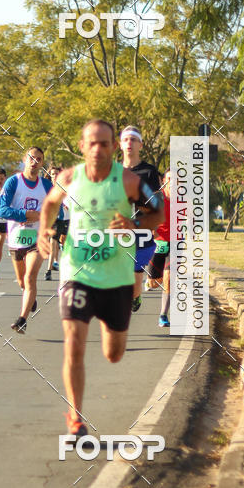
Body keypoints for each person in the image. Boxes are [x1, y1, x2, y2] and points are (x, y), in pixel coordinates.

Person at [38, 119, 164, 437]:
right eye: (91, 143)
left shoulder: (129, 181)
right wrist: (43, 231)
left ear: (113, 147)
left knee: (113, 353)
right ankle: (75, 418)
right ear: (82, 146)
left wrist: (135, 225)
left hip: (117, 277)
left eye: (104, 143)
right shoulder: (68, 178)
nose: (97, 149)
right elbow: (50, 204)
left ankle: (114, 328)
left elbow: (158, 213)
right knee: (74, 344)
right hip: (77, 273)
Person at [0, 147, 52, 334]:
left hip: (38, 240)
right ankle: (31, 297)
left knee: (30, 278)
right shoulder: (14, 182)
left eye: (39, 159)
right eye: (31, 158)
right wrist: (25, 214)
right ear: (24, 159)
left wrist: (43, 216)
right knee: (23, 282)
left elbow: (57, 212)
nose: (34, 161)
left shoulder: (46, 186)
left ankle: (22, 320)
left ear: (42, 163)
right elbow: (2, 210)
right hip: (16, 240)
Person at [119, 126, 162, 313]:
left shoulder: (149, 171)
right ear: (120, 145)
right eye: (126, 139)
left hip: (140, 229)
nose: (129, 143)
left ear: (140, 145)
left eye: (133, 139)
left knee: (135, 273)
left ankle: (135, 296)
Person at [146, 169, 171, 328]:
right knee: (155, 282)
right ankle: (149, 282)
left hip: (176, 243)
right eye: (170, 178)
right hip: (158, 242)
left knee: (169, 278)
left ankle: (163, 315)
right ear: (163, 181)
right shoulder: (156, 197)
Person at [44, 164, 69, 281]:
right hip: (49, 219)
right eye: (53, 174)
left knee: (58, 242)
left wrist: (66, 204)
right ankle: (50, 267)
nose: (55, 176)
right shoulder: (46, 187)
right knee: (51, 242)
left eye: (57, 174)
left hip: (61, 219)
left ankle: (52, 268)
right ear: (50, 175)